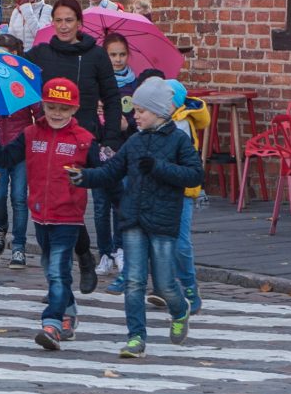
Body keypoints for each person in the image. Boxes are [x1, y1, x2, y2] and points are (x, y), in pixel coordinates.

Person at [69, 77, 202, 358]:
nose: (136, 115)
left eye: (142, 110)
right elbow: (111, 171)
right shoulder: (134, 142)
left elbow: (194, 174)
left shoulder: (178, 139)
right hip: (133, 220)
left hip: (164, 221)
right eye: (136, 110)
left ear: (160, 112)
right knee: (134, 281)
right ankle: (136, 337)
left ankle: (179, 311)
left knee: (165, 283)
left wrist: (159, 167)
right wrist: (85, 177)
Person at [0, 78, 110, 351]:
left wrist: (86, 177)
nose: (57, 113)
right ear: (43, 107)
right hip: (40, 215)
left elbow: (103, 174)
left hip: (68, 217)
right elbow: (4, 159)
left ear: (73, 110)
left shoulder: (83, 140)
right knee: (51, 270)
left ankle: (52, 324)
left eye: (63, 108)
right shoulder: (30, 133)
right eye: (51, 107)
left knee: (58, 271)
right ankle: (69, 312)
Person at [27, 0, 123, 295]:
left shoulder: (95, 56)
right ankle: (80, 258)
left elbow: (111, 98)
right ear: (52, 23)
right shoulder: (41, 53)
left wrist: (109, 141)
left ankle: (99, 254)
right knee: (62, 203)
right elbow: (19, 77)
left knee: (88, 202)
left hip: (85, 139)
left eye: (70, 20)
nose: (64, 25)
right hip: (50, 136)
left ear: (79, 23)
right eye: (59, 20)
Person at [145, 79, 209, 315]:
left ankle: (190, 287)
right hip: (158, 190)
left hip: (180, 191)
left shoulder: (181, 125)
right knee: (158, 241)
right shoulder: (153, 121)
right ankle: (163, 286)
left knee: (180, 243)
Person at [0, 34, 39, 268]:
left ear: (17, 54)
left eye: (8, 52)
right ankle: (0, 228)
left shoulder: (25, 79)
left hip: (20, 147)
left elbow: (38, 111)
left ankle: (18, 246)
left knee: (19, 197)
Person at [96, 33, 138, 282]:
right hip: (100, 149)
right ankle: (104, 253)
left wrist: (127, 124)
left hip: (123, 149)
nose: (118, 59)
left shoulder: (133, 85)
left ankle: (119, 248)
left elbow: (139, 119)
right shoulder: (97, 82)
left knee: (119, 201)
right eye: (113, 55)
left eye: (122, 54)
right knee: (100, 205)